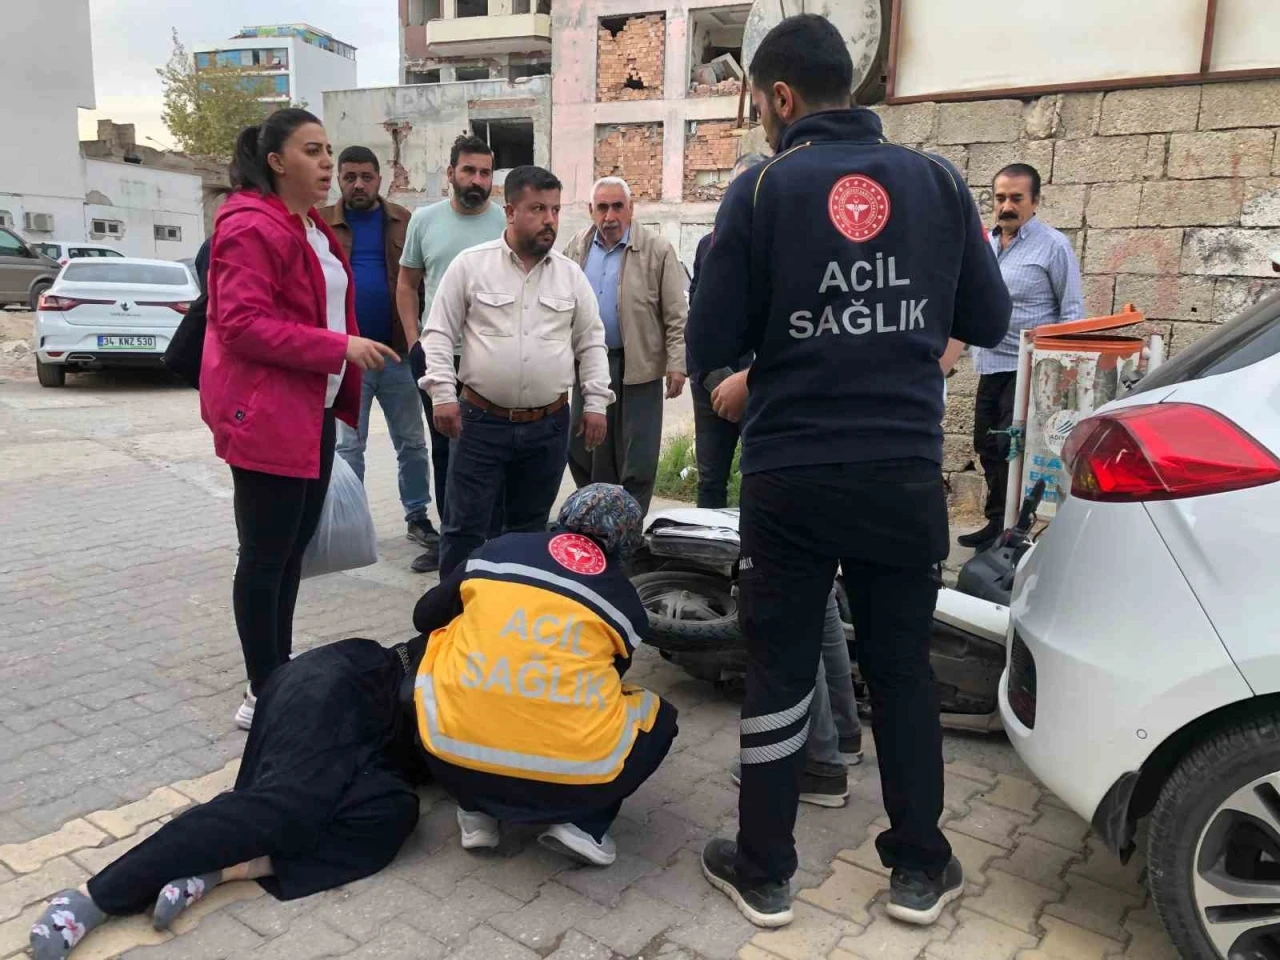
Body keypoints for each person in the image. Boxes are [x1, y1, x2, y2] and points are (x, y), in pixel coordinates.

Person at [686, 14, 1010, 930]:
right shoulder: (938, 180)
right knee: (901, 670)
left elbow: (710, 343)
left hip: (791, 475)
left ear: (782, 98)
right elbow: (987, 320)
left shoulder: (760, 191)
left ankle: (765, 871)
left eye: (757, 102)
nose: (760, 118)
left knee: (780, 670)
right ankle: (919, 867)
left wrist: (786, 348)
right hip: (901, 471)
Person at [29, 636, 428, 960]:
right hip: (350, 684)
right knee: (288, 806)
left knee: (393, 811)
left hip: (378, 744)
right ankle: (96, 897)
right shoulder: (469, 590)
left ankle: (226, 869)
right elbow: (425, 611)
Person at [200, 108, 399, 730]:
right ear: (276, 161)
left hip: (311, 411)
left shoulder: (310, 226)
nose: (326, 163)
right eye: (311, 151)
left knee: (290, 555)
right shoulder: (249, 226)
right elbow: (241, 324)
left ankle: (277, 675)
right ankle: (262, 692)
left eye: (327, 150)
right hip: (267, 416)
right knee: (266, 558)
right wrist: (339, 347)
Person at [409, 484, 678, 864]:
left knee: (443, 642)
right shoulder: (624, 601)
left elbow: (424, 617)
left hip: (449, 758)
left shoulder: (496, 551)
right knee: (658, 716)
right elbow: (613, 677)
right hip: (565, 784)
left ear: (564, 517)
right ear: (626, 543)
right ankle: (584, 825)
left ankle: (475, 811)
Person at [420, 165, 613, 578]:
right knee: (465, 528)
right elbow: (437, 334)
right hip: (480, 423)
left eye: (555, 210)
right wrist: (442, 395)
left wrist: (596, 404)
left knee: (528, 531)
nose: (550, 220)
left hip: (547, 427)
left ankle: (514, 607)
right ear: (510, 212)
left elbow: (591, 342)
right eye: (538, 209)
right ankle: (453, 608)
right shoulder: (471, 266)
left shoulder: (570, 276)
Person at [320, 146, 439, 564]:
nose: (358, 185)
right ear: (339, 179)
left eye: (366, 177)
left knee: (412, 442)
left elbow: (420, 281)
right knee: (349, 447)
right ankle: (351, 521)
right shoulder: (320, 223)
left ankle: (418, 516)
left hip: (397, 355)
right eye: (349, 176)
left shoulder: (404, 220)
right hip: (347, 358)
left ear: (379, 179)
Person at [398, 135, 509, 573]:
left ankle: (493, 541)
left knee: (493, 448)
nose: (477, 180)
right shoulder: (424, 221)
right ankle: (450, 541)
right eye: (469, 171)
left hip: (492, 358)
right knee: (445, 449)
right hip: (439, 357)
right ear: (451, 173)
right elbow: (407, 284)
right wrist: (415, 341)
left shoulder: (505, 220)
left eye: (485, 173)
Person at [960, 162, 1084, 552]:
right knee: (986, 444)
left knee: (1011, 448)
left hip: (1030, 367)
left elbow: (1071, 312)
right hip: (990, 363)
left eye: (1016, 198)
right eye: (1000, 198)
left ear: (1035, 201)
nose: (1006, 206)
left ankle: (1014, 527)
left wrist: (1061, 373)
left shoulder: (1053, 246)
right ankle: (997, 521)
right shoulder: (983, 245)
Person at [563, 177, 688, 514]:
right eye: (602, 208)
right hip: (590, 366)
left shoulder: (657, 250)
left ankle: (630, 524)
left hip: (640, 365)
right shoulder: (576, 248)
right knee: (584, 446)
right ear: (591, 210)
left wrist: (677, 363)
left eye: (618, 206)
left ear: (631, 209)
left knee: (638, 454)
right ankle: (595, 517)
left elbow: (676, 314)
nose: (610, 216)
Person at [687, 154, 765, 508]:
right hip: (710, 381)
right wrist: (715, 377)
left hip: (760, 382)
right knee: (710, 478)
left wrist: (749, 379)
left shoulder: (782, 245)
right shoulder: (709, 244)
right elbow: (696, 314)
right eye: (736, 188)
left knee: (758, 473)